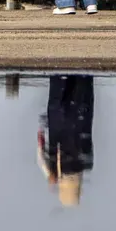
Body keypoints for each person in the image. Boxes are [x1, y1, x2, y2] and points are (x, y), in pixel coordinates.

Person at [36, 74, 95, 206]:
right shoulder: (55, 168)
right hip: (62, 114)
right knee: (66, 76)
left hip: (75, 110)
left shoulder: (87, 162)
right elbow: (40, 152)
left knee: (80, 77)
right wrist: (50, 175)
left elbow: (40, 150)